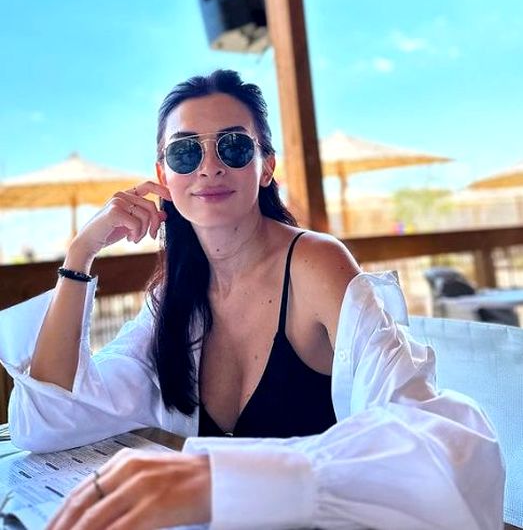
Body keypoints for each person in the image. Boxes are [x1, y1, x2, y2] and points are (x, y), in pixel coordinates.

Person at [0, 69, 504, 530]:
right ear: (164, 176)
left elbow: (444, 445)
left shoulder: (314, 265)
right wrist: (81, 254)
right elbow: (46, 422)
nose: (210, 167)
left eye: (234, 146)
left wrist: (216, 480)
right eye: (185, 152)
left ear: (266, 168)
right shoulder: (176, 300)